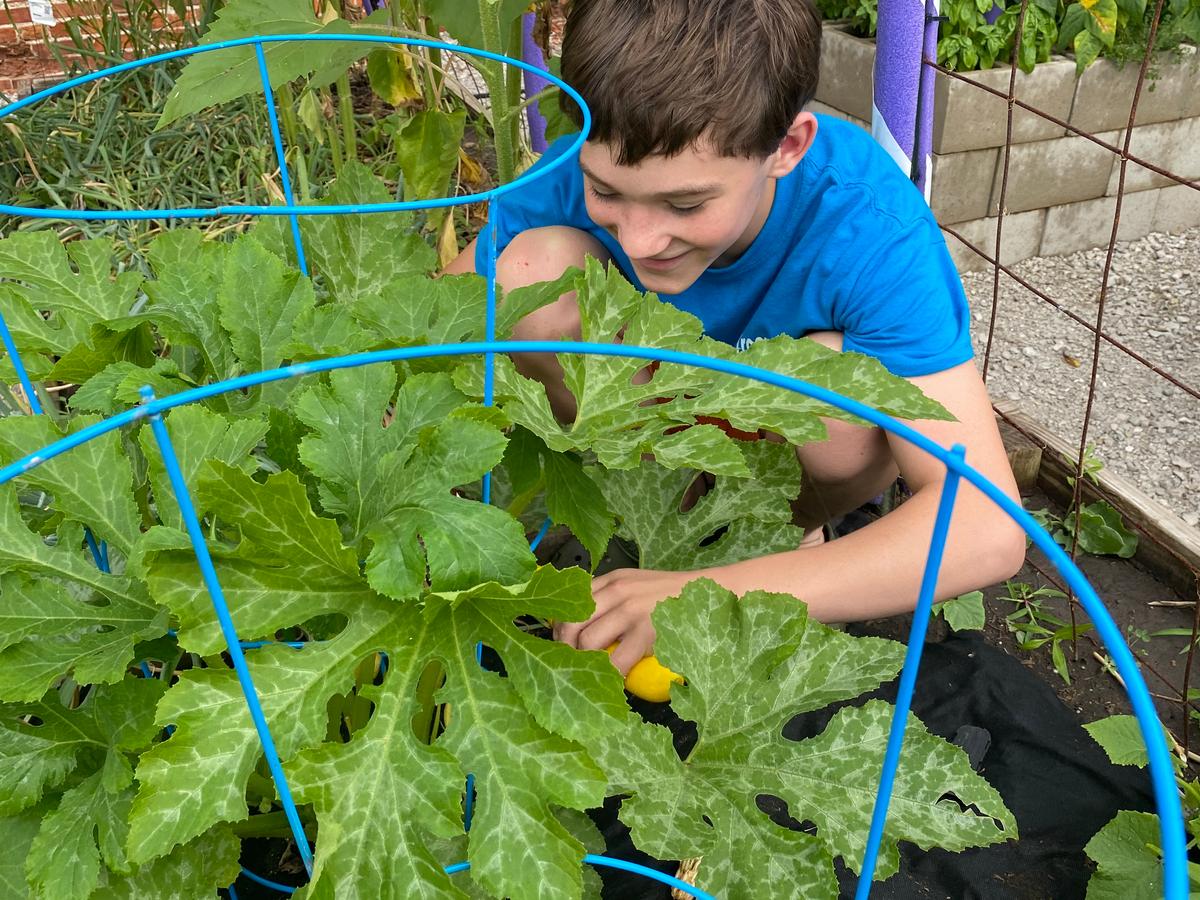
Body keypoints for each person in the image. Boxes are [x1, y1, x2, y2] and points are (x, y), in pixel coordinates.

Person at [444, 0, 1025, 676]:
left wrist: (712, 595)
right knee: (528, 274)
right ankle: (644, 516)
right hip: (645, 453)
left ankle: (772, 548)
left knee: (836, 400)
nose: (639, 240)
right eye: (606, 191)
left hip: (783, 468)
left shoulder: (869, 226)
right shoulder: (570, 170)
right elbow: (436, 321)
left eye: (685, 205)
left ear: (786, 147)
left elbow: (986, 527)